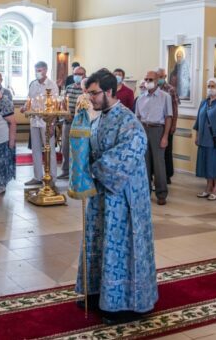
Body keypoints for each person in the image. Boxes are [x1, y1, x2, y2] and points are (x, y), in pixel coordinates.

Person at [76, 69, 157, 325]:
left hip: (124, 198)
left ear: (110, 91)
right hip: (103, 195)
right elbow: (90, 147)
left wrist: (94, 169)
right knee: (100, 242)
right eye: (88, 93)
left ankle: (124, 304)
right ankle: (100, 293)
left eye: (94, 93)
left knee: (122, 247)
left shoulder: (129, 121)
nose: (90, 98)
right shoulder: (98, 118)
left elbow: (129, 153)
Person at [135, 70, 173, 205]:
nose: (148, 82)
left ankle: (161, 194)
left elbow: (168, 117)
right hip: (143, 129)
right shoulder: (140, 98)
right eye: (146, 79)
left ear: (157, 81)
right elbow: (137, 118)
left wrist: (165, 137)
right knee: (144, 164)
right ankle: (145, 192)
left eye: (150, 79)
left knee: (159, 164)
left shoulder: (165, 97)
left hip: (158, 130)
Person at [21, 61, 59, 186]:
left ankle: (52, 178)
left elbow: (55, 105)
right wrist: (24, 107)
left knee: (50, 150)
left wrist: (53, 123)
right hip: (34, 121)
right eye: (36, 70)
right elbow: (29, 100)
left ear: (46, 70)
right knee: (36, 149)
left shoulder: (52, 85)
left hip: (47, 122)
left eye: (40, 70)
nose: (38, 72)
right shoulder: (33, 85)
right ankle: (37, 176)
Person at [193, 78, 216, 201]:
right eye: (208, 86)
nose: (210, 88)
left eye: (213, 86)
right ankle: (208, 187)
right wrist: (197, 135)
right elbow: (199, 120)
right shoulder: (204, 102)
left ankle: (215, 189)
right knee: (206, 164)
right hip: (204, 139)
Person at [59, 66, 87, 180]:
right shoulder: (69, 87)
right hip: (67, 121)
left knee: (78, 149)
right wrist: (67, 114)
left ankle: (77, 172)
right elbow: (63, 103)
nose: (77, 76)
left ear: (84, 75)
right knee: (65, 148)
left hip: (80, 124)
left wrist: (76, 117)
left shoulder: (85, 90)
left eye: (80, 74)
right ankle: (65, 171)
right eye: (75, 74)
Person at [156, 68, 180, 184]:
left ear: (165, 77)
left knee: (167, 151)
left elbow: (175, 109)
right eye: (158, 76)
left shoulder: (170, 89)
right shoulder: (153, 88)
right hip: (156, 124)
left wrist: (173, 125)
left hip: (167, 124)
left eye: (162, 76)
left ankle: (167, 175)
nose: (160, 79)